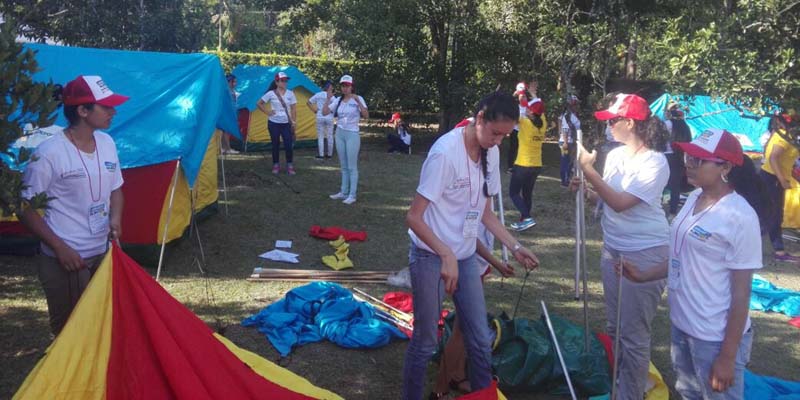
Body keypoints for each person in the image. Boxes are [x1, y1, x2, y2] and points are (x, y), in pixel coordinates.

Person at [403, 91, 539, 400]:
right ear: (479, 119)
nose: (498, 141)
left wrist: (515, 247)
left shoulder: (490, 152)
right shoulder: (444, 154)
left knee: (479, 338)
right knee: (425, 341)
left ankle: (481, 395)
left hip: (463, 257)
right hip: (429, 255)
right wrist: (445, 252)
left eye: (505, 135)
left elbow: (486, 215)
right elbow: (413, 217)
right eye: (495, 132)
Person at [620, 129, 768, 400]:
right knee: (688, 393)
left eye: (700, 160)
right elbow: (681, 256)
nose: (688, 163)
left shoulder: (740, 216)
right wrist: (642, 276)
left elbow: (742, 292)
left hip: (714, 335)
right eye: (689, 156)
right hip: (683, 323)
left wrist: (727, 355)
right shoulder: (693, 198)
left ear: (725, 166)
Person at [571, 92, 670, 400]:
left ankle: (630, 394)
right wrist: (586, 189)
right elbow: (603, 198)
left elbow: (622, 203)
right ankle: (622, 386)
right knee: (615, 328)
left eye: (612, 121)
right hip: (613, 248)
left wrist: (588, 170)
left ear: (630, 122)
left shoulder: (656, 163)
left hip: (645, 251)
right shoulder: (615, 156)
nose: (609, 127)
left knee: (634, 333)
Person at [18, 75, 128, 336]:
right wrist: (59, 248)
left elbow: (116, 189)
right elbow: (24, 207)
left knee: (103, 323)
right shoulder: (49, 153)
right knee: (70, 332)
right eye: (106, 106)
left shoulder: (107, 143)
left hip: (102, 253)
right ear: (82, 110)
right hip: (66, 259)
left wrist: (116, 219)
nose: (113, 111)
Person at [759, 115, 800, 262]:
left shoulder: (787, 136)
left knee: (774, 216)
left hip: (773, 177)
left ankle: (779, 250)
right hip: (771, 178)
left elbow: (787, 160)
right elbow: (773, 158)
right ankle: (741, 245)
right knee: (769, 216)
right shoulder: (784, 137)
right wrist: (782, 180)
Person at [323, 75, 368, 205]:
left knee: (352, 166)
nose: (345, 88)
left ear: (352, 86)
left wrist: (358, 101)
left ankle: (352, 195)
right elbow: (325, 112)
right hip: (340, 133)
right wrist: (327, 99)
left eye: (347, 85)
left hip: (352, 134)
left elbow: (366, 115)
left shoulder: (358, 99)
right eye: (343, 85)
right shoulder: (338, 100)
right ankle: (343, 191)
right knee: (343, 165)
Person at [509, 99, 546, 231]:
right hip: (536, 165)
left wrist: (518, 96)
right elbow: (540, 111)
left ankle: (527, 217)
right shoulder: (543, 124)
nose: (527, 110)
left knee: (513, 192)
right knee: (527, 194)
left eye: (529, 109)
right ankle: (525, 221)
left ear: (531, 112)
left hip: (523, 164)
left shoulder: (525, 123)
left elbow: (513, 114)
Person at [257, 71, 298, 175]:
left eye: (286, 80)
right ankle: (276, 164)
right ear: (277, 82)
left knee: (288, 145)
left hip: (286, 124)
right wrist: (268, 112)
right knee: (275, 144)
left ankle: (289, 165)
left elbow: (293, 109)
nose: (285, 82)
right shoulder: (271, 93)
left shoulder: (290, 93)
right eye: (282, 80)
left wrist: (293, 122)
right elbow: (259, 103)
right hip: (273, 123)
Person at [664, 102, 692, 216]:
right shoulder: (685, 126)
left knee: (660, 182)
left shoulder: (667, 124)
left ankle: (657, 207)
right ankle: (673, 212)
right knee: (675, 186)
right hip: (679, 157)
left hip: (666, 155)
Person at [307, 80, 335, 159]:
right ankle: (329, 155)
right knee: (330, 135)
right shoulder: (332, 96)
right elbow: (335, 106)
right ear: (329, 87)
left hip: (319, 115)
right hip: (329, 116)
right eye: (331, 86)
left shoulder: (318, 95)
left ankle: (321, 155)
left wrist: (314, 110)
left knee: (320, 136)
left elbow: (308, 102)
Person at [507, 82, 530, 173]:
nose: (523, 98)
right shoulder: (516, 107)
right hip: (516, 131)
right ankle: (510, 167)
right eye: (521, 96)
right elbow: (508, 103)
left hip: (525, 132)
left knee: (524, 148)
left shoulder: (529, 107)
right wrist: (515, 93)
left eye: (524, 96)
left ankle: (523, 165)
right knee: (513, 148)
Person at [559, 94, 581, 187]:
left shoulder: (572, 115)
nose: (577, 106)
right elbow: (564, 129)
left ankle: (567, 179)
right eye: (575, 104)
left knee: (570, 162)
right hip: (567, 142)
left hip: (571, 141)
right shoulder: (567, 116)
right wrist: (565, 142)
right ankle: (565, 181)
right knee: (565, 162)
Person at [220, 73, 240, 155]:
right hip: (226, 113)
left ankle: (224, 148)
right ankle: (227, 148)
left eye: (235, 82)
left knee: (225, 131)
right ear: (229, 82)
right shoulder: (226, 91)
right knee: (226, 131)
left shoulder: (231, 91)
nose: (235, 83)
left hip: (230, 113)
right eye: (234, 82)